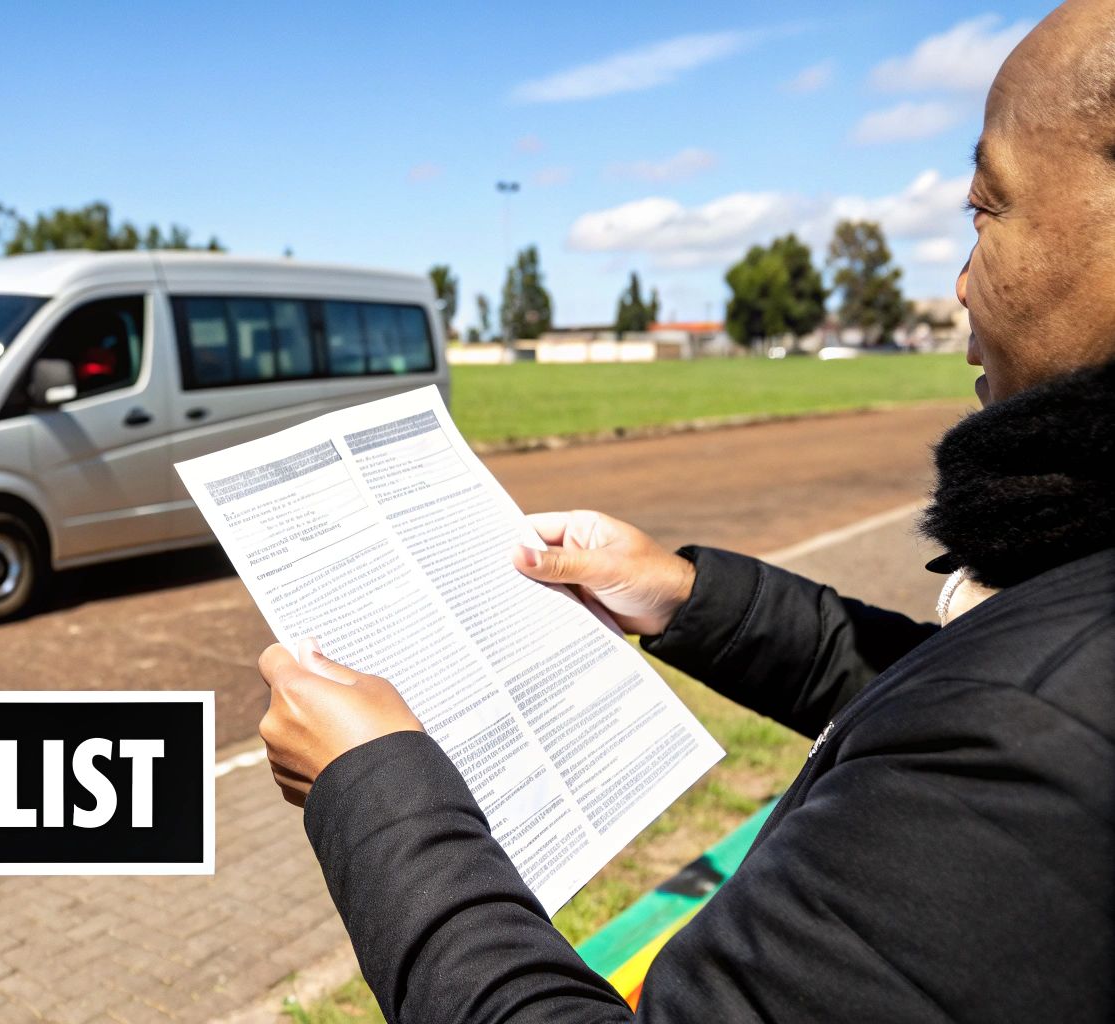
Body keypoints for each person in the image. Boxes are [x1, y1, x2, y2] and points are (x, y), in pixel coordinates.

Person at [253, 4, 1115, 1021]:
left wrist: (373, 789)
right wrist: (686, 596)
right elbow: (940, 691)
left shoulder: (1029, 747)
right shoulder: (1052, 657)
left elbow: (992, 716)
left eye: (985, 207)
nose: (962, 282)